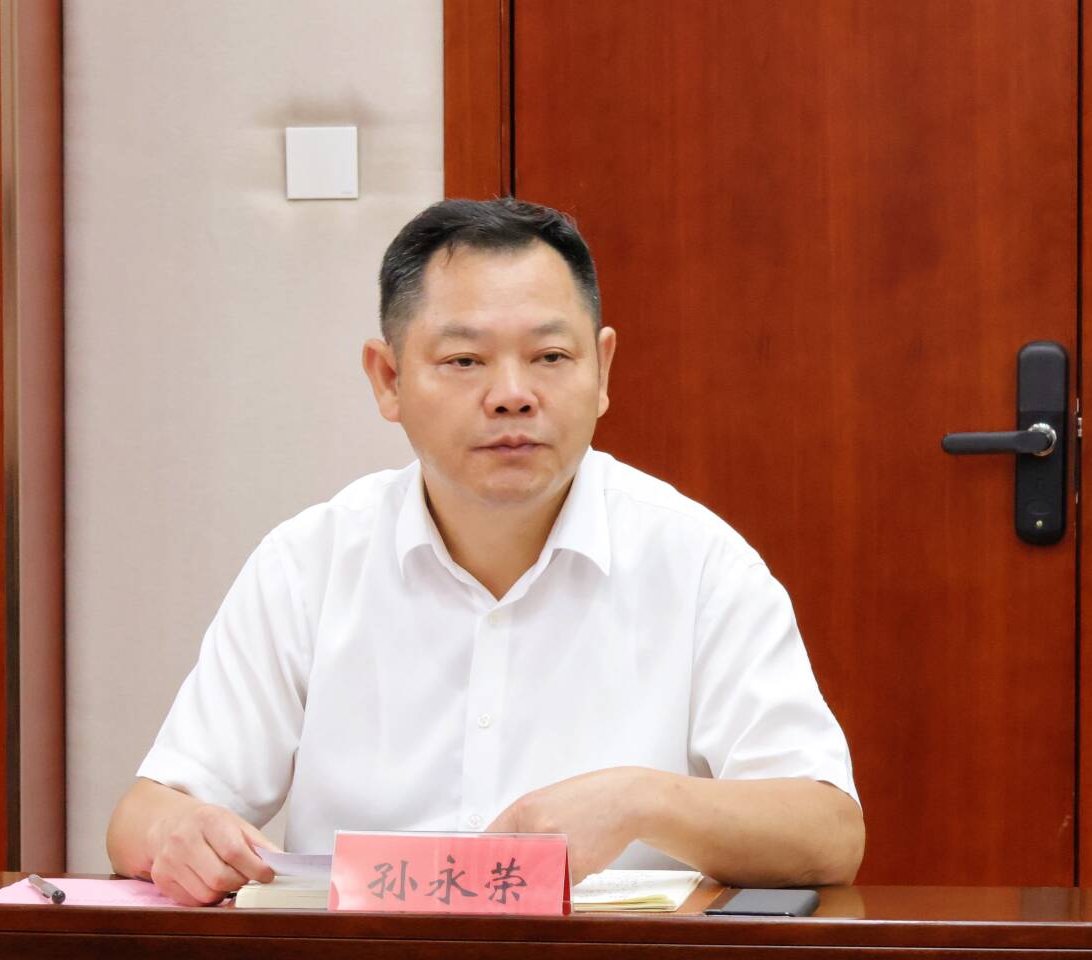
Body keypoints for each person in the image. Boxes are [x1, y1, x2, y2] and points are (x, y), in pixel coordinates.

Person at [107, 198, 865, 906]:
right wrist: (180, 832)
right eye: (465, 361)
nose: (511, 394)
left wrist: (643, 799)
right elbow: (144, 814)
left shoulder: (698, 563)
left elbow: (828, 833)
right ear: (388, 378)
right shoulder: (308, 565)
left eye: (550, 357)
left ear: (603, 370)